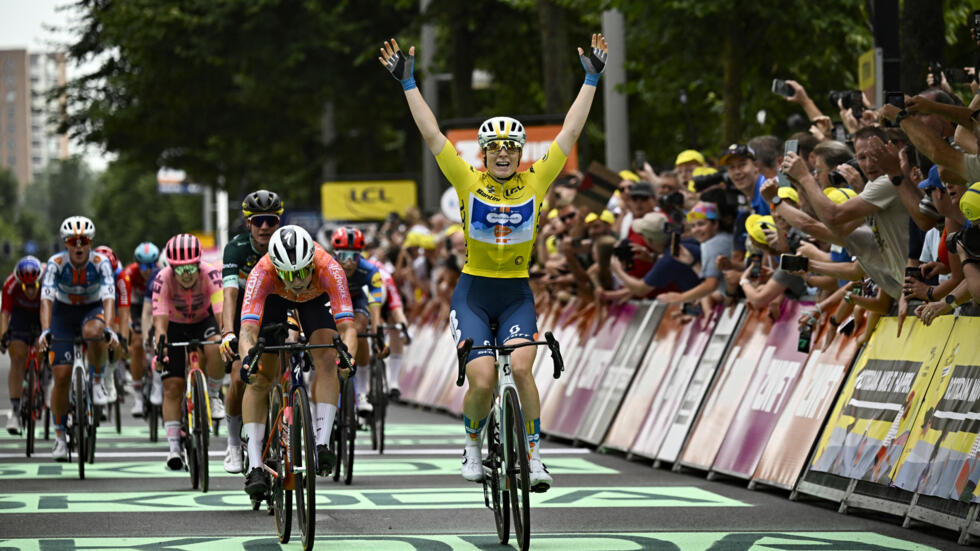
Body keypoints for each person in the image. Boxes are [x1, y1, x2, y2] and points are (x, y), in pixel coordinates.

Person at [379, 31, 607, 492]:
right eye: (495, 149)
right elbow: (431, 133)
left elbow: (571, 131)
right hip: (474, 293)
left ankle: (536, 458)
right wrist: (408, 84)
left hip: (517, 292)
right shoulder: (465, 179)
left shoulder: (537, 180)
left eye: (511, 148)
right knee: (481, 379)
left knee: (522, 368)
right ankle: (472, 445)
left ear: (521, 154)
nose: (503, 154)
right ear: (483, 154)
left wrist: (591, 81)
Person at [237, 225, 358, 499]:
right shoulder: (262, 272)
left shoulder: (329, 267)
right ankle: (255, 465)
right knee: (259, 376)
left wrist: (347, 355)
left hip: (315, 301)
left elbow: (348, 327)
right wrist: (247, 358)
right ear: (277, 268)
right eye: (290, 274)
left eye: (304, 271)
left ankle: (323, 443)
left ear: (312, 263)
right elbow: (247, 331)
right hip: (274, 300)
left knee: (327, 357)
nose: (298, 280)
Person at [37, 216, 119, 461]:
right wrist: (45, 330)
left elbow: (109, 299)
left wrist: (110, 329)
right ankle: (60, 437)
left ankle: (95, 380)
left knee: (95, 333)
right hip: (62, 314)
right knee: (61, 376)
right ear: (66, 244)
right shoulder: (55, 264)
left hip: (91, 310)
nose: (79, 246)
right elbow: (46, 301)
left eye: (84, 240)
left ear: (90, 242)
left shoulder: (101, 263)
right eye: (73, 241)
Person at [218, 190, 283, 474]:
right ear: (248, 224)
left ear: (278, 223)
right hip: (244, 313)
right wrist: (227, 333)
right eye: (258, 221)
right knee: (238, 376)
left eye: (270, 220)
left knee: (285, 371)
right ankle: (233, 443)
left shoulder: (285, 244)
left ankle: (284, 432)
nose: (264, 227)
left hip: (277, 310)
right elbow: (229, 294)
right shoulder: (236, 248)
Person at [151, 234, 224, 470]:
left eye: (191, 268)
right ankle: (173, 447)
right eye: (179, 269)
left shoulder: (211, 274)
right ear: (170, 267)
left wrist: (227, 335)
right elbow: (159, 319)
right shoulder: (162, 279)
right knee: (172, 386)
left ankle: (212, 396)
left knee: (217, 345)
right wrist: (161, 344)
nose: (186, 274)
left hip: (204, 321)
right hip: (174, 325)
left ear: (199, 263)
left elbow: (221, 312)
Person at [330, 227, 385, 416]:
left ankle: (362, 393)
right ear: (335, 254)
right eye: (343, 255)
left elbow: (375, 306)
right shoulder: (327, 267)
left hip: (356, 299)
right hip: (333, 299)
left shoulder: (370, 270)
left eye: (353, 257)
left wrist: (377, 332)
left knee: (359, 330)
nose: (347, 262)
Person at [116, 242, 159, 417]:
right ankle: (139, 396)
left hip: (154, 304)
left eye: (151, 266)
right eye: (143, 266)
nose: (147, 270)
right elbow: (124, 306)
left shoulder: (160, 272)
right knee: (136, 342)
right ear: (136, 264)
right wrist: (129, 326)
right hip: (135, 305)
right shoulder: (129, 274)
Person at [0, 256, 43, 434]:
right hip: (20, 316)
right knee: (17, 357)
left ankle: (42, 377)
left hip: (42, 312)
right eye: (26, 287)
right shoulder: (10, 284)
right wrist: (3, 336)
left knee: (44, 347)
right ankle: (15, 410)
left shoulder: (48, 280)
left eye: (34, 286)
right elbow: (4, 314)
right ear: (20, 283)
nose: (31, 291)